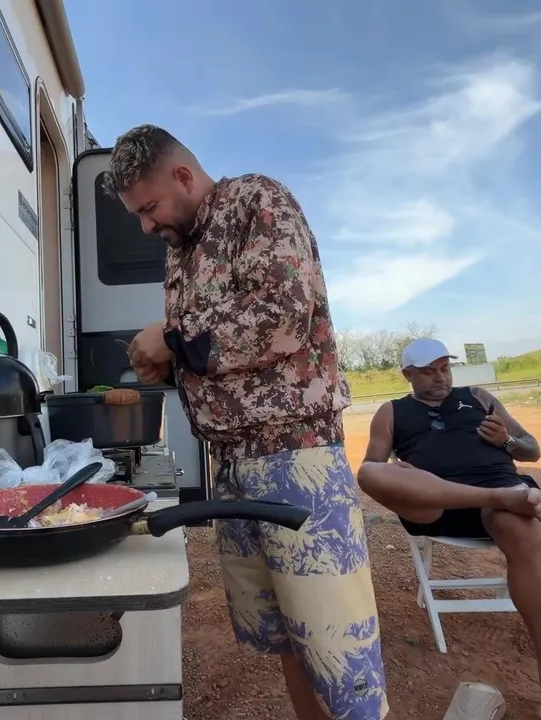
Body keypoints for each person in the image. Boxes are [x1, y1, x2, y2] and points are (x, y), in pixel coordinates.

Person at [109, 124, 389, 720]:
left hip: (295, 458)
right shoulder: (181, 250)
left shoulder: (256, 201)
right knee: (287, 636)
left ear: (183, 175)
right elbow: (219, 356)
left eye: (150, 208)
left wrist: (174, 340)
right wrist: (166, 364)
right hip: (233, 466)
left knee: (338, 648)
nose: (146, 226)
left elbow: (284, 316)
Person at [357, 338, 541, 720]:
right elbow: (373, 466)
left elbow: (531, 449)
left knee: (523, 532)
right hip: (437, 504)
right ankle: (502, 497)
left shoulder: (478, 397)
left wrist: (506, 441)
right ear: (408, 375)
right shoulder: (391, 412)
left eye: (445, 368)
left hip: (500, 503)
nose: (440, 377)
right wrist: (399, 471)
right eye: (428, 372)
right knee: (369, 473)